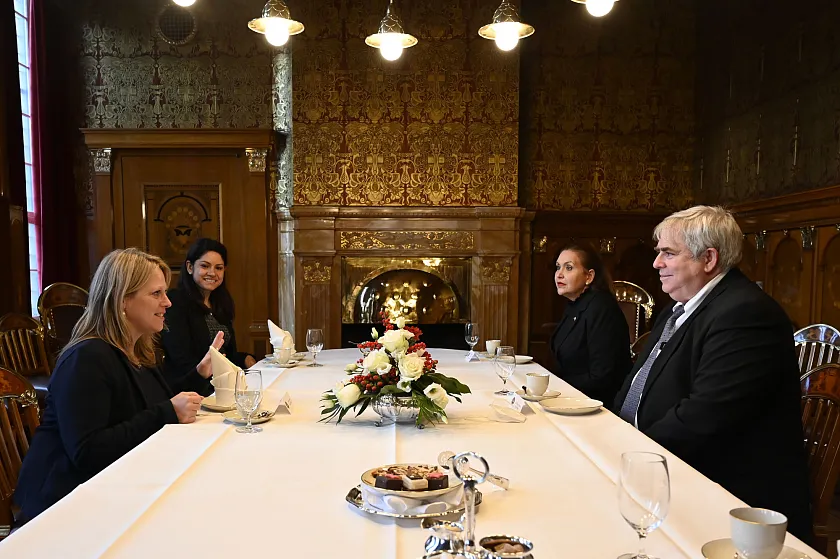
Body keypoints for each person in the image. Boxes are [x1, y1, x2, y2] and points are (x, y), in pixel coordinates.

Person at [613, 206, 812, 541]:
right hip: (671, 469)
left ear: (708, 259)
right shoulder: (677, 310)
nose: (656, 263)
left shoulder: (745, 314)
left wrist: (628, 457)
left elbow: (702, 419)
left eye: (668, 253)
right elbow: (635, 385)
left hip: (729, 502)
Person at [15, 248, 223, 522]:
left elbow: (154, 403)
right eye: (156, 293)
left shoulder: (135, 349)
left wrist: (198, 373)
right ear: (123, 300)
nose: (167, 303)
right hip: (64, 506)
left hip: (114, 487)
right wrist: (167, 413)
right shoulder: (86, 358)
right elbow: (88, 452)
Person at [161, 238, 255, 388]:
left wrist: (245, 359)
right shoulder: (175, 302)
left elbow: (226, 356)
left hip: (224, 384)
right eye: (205, 266)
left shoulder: (221, 303)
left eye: (219, 268)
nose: (212, 273)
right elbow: (181, 361)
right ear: (190, 267)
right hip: (191, 388)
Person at [549, 243, 632, 404]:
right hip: (573, 398)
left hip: (598, 405)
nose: (559, 274)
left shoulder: (601, 308)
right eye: (558, 267)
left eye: (569, 268)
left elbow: (602, 376)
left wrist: (555, 387)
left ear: (589, 276)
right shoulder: (576, 304)